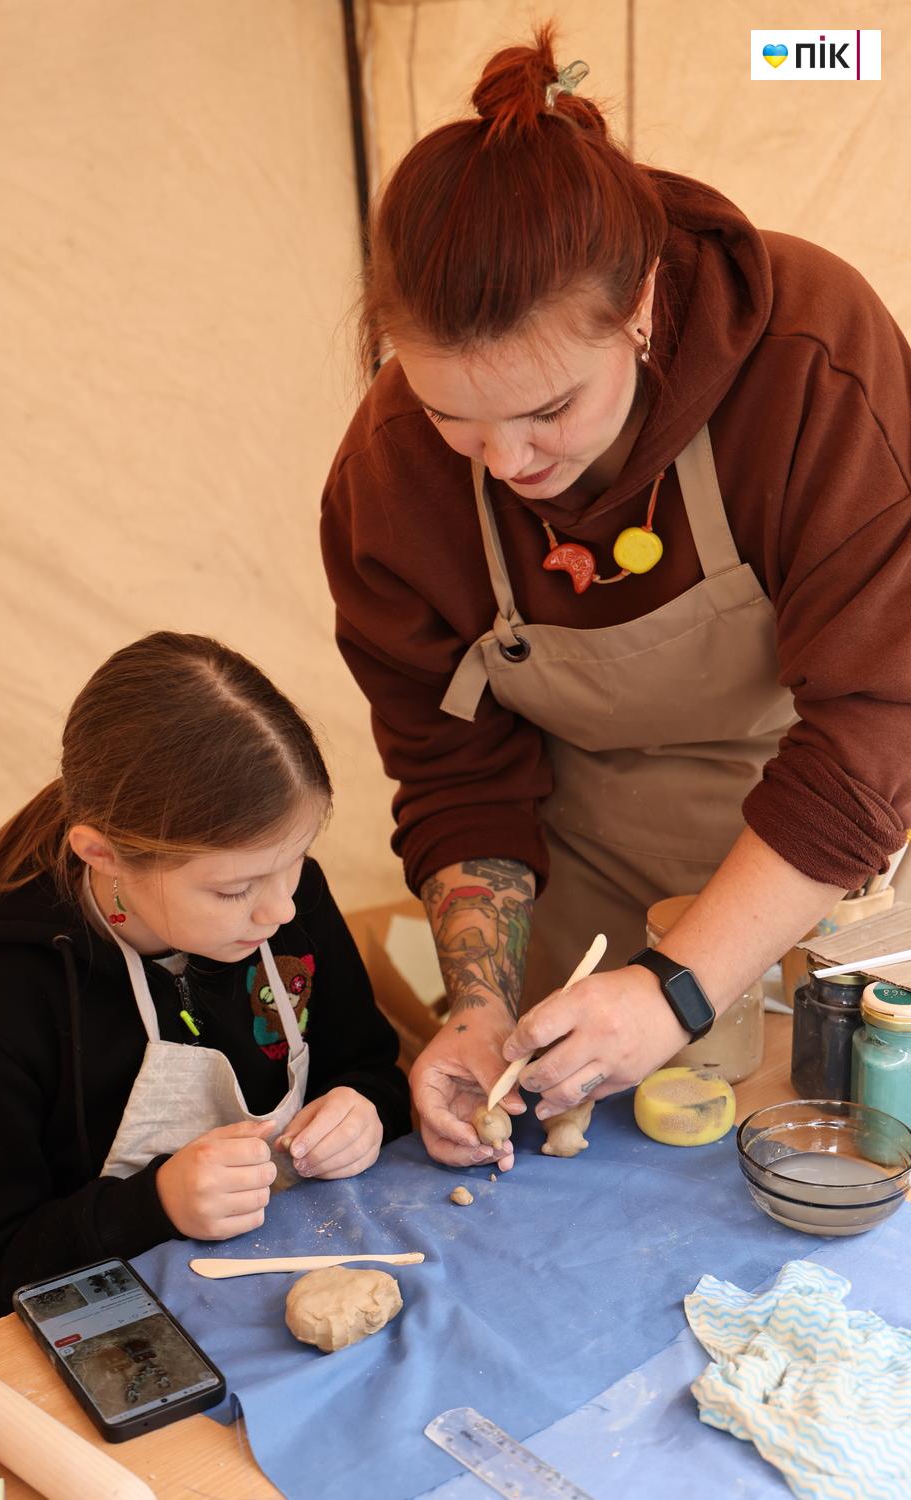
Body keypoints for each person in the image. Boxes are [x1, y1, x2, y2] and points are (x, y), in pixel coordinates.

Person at [320, 25, 911, 1170]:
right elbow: (452, 767)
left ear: (639, 303)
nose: (505, 461)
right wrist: (477, 1006)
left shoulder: (806, 358)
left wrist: (683, 984)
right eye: (455, 416)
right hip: (590, 874)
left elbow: (877, 714)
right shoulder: (391, 476)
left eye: (547, 409)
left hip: (833, 848)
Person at [0, 632, 411, 1335]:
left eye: (295, 861)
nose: (281, 910)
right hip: (122, 1349)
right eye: (234, 889)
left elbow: (370, 1068)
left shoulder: (286, 908)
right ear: (103, 854)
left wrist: (364, 1110)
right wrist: (150, 1206)